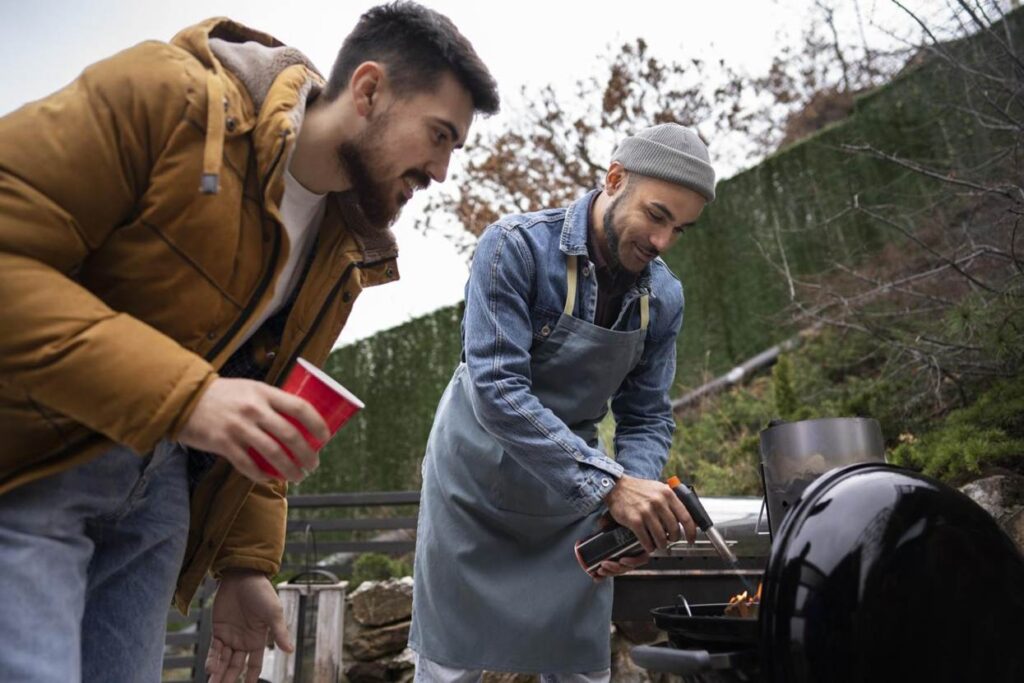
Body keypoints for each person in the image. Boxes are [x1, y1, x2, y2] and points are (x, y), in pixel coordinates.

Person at [0, 3, 498, 682]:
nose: (440, 170)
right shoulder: (169, 95)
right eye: (438, 135)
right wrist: (189, 397)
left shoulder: (343, 248)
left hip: (157, 501)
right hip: (33, 467)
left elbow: (259, 394)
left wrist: (245, 563)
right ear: (368, 90)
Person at [409, 123, 717, 681]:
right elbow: (497, 389)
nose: (663, 241)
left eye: (680, 228)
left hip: (572, 504)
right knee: (450, 666)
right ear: (615, 179)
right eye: (657, 215)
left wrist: (629, 511)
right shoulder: (514, 248)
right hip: (472, 489)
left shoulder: (664, 297)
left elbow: (647, 415)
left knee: (580, 669)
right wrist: (611, 486)